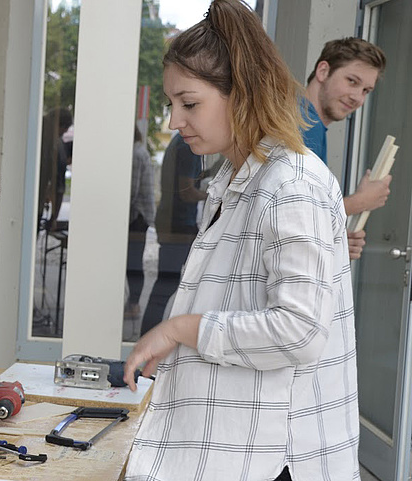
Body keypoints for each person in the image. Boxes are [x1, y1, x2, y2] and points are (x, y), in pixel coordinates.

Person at [124, 1, 358, 479]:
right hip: (235, 447)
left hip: (275, 458)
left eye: (189, 104)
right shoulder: (239, 176)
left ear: (243, 93)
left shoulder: (291, 185)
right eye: (172, 104)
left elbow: (300, 330)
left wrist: (177, 329)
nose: (173, 121)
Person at [302, 37, 390, 259]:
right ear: (323, 71)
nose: (357, 98)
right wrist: (359, 202)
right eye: (352, 81)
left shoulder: (311, 124)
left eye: (366, 90)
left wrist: (333, 241)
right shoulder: (302, 125)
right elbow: (296, 212)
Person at [139, 134, 207, 335]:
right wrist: (215, 195)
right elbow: (186, 192)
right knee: (166, 286)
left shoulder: (179, 141)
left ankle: (149, 336)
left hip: (173, 221)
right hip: (179, 224)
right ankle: (148, 338)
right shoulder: (188, 146)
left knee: (167, 286)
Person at [124, 125, 155, 327]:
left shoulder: (135, 154)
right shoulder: (140, 151)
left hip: (137, 217)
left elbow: (131, 191)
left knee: (133, 263)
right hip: (141, 216)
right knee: (133, 261)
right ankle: (132, 304)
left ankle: (134, 304)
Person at [38, 108, 73, 232]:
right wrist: (54, 218)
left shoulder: (35, 127)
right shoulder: (57, 144)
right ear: (61, 127)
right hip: (36, 205)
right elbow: (59, 187)